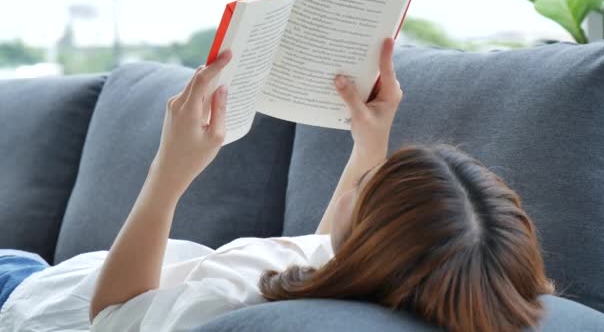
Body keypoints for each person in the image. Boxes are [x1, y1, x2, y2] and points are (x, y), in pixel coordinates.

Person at [0, 39, 554, 332]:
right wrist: (369, 140)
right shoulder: (367, 276)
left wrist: (169, 172)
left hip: (24, 298)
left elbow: (113, 316)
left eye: (366, 191)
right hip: (48, 276)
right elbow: (332, 238)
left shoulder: (231, 310)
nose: (355, 192)